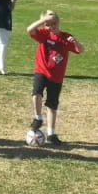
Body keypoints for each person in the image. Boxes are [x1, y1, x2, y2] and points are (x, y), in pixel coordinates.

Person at [26, 10, 84, 145]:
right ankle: (38, 118)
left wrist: (76, 42)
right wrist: (43, 21)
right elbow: (29, 29)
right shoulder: (43, 34)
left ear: (59, 22)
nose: (51, 26)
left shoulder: (65, 37)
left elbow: (80, 50)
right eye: (47, 24)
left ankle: (51, 134)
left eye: (54, 23)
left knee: (52, 106)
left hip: (57, 76)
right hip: (42, 70)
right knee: (36, 94)